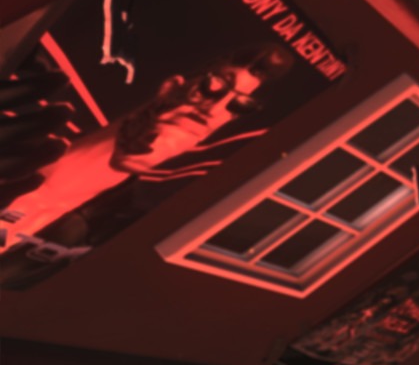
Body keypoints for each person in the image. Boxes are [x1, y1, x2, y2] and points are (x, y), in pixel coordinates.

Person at [0, 43, 297, 286]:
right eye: (214, 86)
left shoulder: (91, 234)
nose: (213, 108)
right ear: (171, 88)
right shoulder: (23, 140)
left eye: (239, 105)